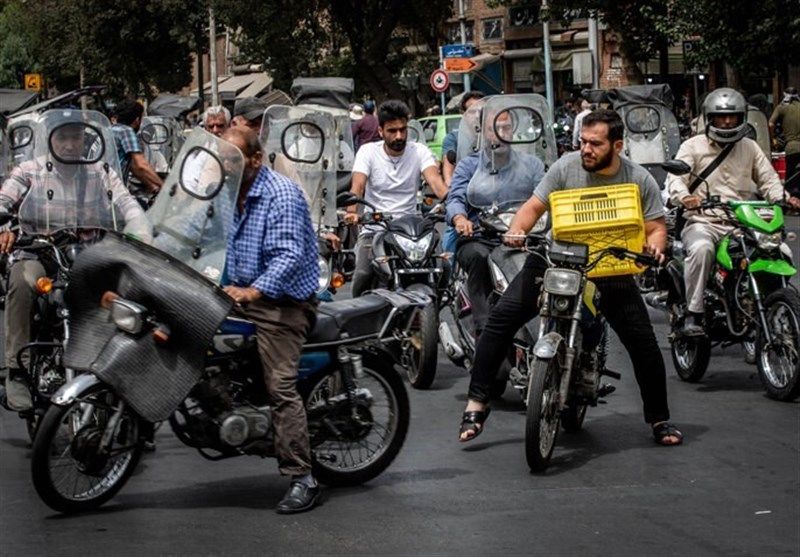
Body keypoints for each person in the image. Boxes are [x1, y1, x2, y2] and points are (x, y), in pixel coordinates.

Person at [458, 109, 683, 447]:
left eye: (595, 143)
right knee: (500, 319)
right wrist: (517, 230)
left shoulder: (639, 179)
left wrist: (655, 247)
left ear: (617, 146)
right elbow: (533, 207)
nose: (586, 149)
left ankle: (659, 419)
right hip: (556, 261)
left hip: (612, 269)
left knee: (644, 344)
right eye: (583, 141)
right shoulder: (565, 167)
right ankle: (477, 402)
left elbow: (656, 227)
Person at [0, 121, 152, 411]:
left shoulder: (100, 171)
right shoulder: (29, 170)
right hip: (41, 253)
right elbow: (4, 199)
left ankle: (123, 373)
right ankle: (17, 371)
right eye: (63, 137)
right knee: (21, 281)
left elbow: (126, 202)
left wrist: (143, 228)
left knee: (128, 293)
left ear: (85, 140)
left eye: (76, 137)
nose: (70, 145)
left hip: (87, 256)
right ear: (50, 139)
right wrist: (4, 225)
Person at [220, 127, 321, 514]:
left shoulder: (281, 194)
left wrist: (253, 291)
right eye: (222, 157)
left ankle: (302, 477)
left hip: (282, 302)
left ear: (255, 159)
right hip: (238, 293)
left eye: (233, 158)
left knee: (280, 386)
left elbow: (289, 255)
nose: (226, 164)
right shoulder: (227, 192)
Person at [668, 88, 800, 336]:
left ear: (742, 118)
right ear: (710, 118)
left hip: (743, 223)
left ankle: (774, 303)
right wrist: (685, 198)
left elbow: (768, 179)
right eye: (721, 117)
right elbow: (675, 180)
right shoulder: (692, 146)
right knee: (702, 249)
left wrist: (783, 198)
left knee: (781, 250)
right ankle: (694, 313)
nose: (727, 122)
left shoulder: (749, 147)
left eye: (733, 117)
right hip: (704, 221)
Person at [446, 108, 545, 335]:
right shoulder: (468, 166)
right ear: (483, 132)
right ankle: (484, 330)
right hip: (481, 237)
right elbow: (455, 198)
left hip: (526, 236)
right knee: (478, 258)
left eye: (506, 127)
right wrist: (460, 218)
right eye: (494, 129)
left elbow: (545, 196)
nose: (501, 133)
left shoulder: (532, 165)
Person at [344, 99, 447, 296]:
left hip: (412, 230)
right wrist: (352, 212)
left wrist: (454, 204)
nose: (399, 136)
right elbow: (357, 186)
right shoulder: (368, 152)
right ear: (380, 131)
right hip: (376, 228)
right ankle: (360, 313)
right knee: (363, 272)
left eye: (403, 129)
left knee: (443, 266)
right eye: (392, 131)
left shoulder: (419, 151)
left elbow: (436, 183)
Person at [111, 99, 163, 193]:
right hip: (114, 190)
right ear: (137, 120)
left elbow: (133, 167)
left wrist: (152, 186)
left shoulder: (111, 129)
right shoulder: (126, 131)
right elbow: (141, 165)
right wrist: (164, 186)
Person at [442, 91, 486, 188]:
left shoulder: (494, 136)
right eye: (472, 112)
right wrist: (452, 190)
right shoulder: (453, 139)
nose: (477, 116)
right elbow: (448, 173)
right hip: (464, 188)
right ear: (463, 114)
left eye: (482, 111)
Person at [769, 86, 800, 197]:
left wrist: (773, 138)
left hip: (792, 148)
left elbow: (770, 124)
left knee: (790, 180)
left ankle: (790, 199)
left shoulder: (782, 107)